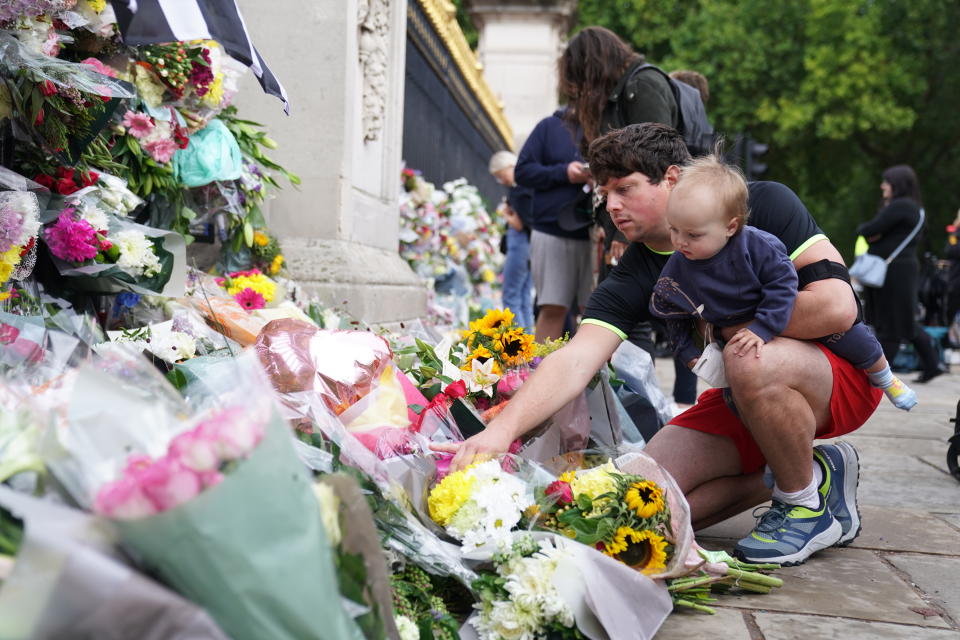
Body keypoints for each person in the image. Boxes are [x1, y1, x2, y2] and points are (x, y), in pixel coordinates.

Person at [433, 123, 882, 566]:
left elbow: (836, 308)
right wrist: (499, 433)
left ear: (670, 178)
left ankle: (804, 505)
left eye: (624, 189)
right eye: (603, 193)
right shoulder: (635, 270)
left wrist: (728, 324)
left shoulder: (760, 202)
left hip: (838, 375)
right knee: (634, 504)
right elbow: (576, 359)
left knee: (747, 357)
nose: (611, 205)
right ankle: (812, 470)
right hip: (745, 399)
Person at [650, 155, 916, 411]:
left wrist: (763, 326)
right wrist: (687, 351)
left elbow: (783, 282)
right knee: (745, 370)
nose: (680, 242)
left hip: (778, 311)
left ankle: (884, 376)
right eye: (673, 229)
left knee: (856, 339)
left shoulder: (756, 245)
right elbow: (669, 307)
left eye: (693, 234)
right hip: (743, 328)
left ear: (730, 227)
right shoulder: (680, 261)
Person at [559, 25, 699, 411]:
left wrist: (621, 227)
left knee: (683, 311)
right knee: (627, 318)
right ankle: (642, 403)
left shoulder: (643, 84)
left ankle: (679, 402)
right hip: (633, 224)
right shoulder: (618, 92)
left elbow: (653, 158)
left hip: (660, 222)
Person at [857, 165, 944, 383]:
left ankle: (879, 375)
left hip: (894, 271)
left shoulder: (901, 206)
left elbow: (866, 230)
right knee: (905, 321)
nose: (882, 186)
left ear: (897, 184)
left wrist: (874, 234)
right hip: (901, 269)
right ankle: (932, 365)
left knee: (892, 324)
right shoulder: (914, 207)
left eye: (886, 182)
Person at [514, 109, 593, 342]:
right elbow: (523, 172)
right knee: (553, 308)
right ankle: (541, 373)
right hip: (551, 229)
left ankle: (594, 378)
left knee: (596, 316)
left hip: (596, 231)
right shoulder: (549, 127)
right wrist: (564, 172)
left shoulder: (609, 123)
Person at [489, 151, 535, 332]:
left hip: (520, 246)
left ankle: (518, 344)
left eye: (501, 175)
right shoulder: (528, 187)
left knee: (511, 296)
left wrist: (506, 214)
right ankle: (528, 343)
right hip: (530, 246)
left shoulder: (519, 190)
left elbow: (519, 223)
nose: (502, 180)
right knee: (523, 297)